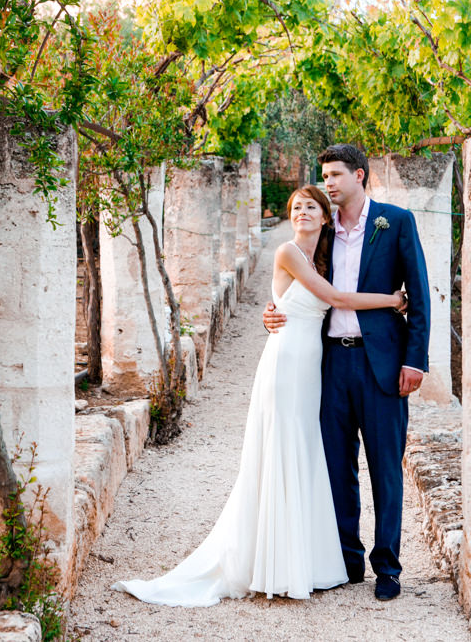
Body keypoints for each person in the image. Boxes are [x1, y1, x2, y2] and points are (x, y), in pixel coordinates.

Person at [111, 185, 407, 607]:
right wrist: (394, 300)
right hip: (286, 364)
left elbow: (319, 310)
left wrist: (274, 309)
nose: (302, 212)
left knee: (308, 454)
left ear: (325, 216)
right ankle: (276, 564)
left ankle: (312, 559)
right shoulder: (288, 252)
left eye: (310, 206)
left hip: (315, 366)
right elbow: (337, 299)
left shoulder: (321, 255)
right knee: (283, 450)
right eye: (296, 207)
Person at [263, 144, 431, 601]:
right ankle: (346, 559)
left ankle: (388, 568)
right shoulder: (321, 231)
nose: (329, 182)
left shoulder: (395, 222)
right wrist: (272, 312)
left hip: (383, 363)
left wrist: (415, 360)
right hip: (329, 363)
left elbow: (418, 292)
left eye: (337, 174)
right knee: (336, 466)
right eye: (325, 174)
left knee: (385, 469)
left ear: (361, 175)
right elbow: (298, 285)